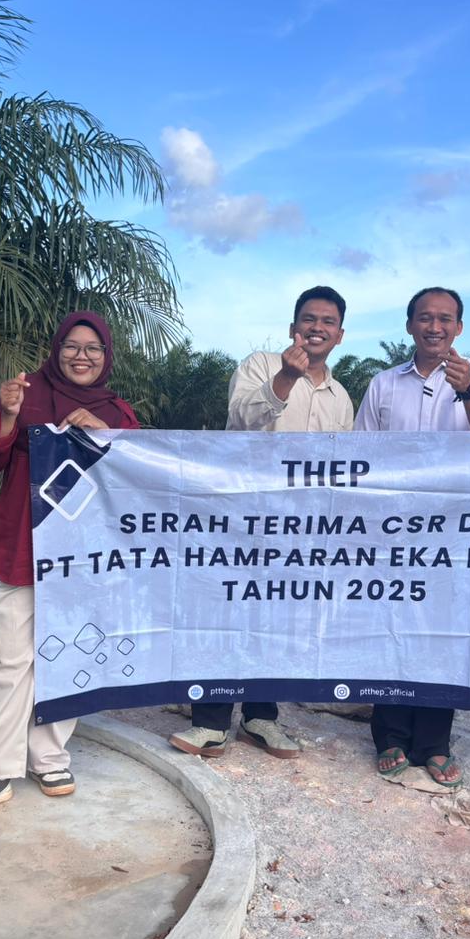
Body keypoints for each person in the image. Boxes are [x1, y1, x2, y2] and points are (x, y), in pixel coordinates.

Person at [0, 311, 140, 818]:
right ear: (56, 349)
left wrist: (106, 436)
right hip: (19, 551)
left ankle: (48, 757)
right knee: (9, 662)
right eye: (71, 346)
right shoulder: (24, 394)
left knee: (68, 658)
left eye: (92, 349)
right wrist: (7, 415)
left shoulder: (118, 412)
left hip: (82, 561)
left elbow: (136, 477)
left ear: (106, 356)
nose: (81, 357)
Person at [168, 286, 354, 760]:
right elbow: (240, 422)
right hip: (243, 519)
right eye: (309, 318)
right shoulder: (260, 365)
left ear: (340, 335)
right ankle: (210, 721)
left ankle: (260, 717)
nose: (317, 327)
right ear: (294, 326)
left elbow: (343, 467)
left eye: (328, 322)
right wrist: (286, 379)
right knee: (229, 611)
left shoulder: (341, 397)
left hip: (303, 530)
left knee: (278, 619)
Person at [354, 286, 470, 788]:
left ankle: (435, 743)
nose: (434, 327)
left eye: (445, 319)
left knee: (443, 631)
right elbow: (361, 454)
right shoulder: (383, 383)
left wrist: (469, 392)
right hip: (393, 528)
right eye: (425, 317)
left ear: (459, 327)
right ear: (409, 325)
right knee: (392, 626)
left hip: (455, 528)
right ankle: (390, 736)